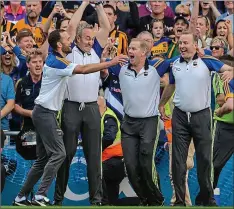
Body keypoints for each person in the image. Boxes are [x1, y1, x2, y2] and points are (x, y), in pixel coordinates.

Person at [12, 29, 126, 206]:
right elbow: (83, 69)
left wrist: (102, 60)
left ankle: (20, 196)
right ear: (59, 44)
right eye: (67, 39)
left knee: (42, 159)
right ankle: (40, 195)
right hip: (45, 113)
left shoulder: (58, 59)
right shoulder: (57, 61)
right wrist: (110, 63)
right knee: (59, 153)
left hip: (42, 112)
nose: (70, 41)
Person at [159, 31, 234, 206]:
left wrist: (232, 72)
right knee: (178, 161)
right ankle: (179, 200)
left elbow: (229, 68)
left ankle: (206, 199)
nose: (182, 46)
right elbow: (171, 84)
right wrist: (162, 103)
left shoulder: (207, 61)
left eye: (186, 43)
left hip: (202, 115)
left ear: (195, 45)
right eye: (180, 43)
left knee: (205, 159)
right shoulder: (174, 64)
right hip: (180, 116)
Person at [54, 1, 114, 206]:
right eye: (86, 38)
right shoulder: (69, 50)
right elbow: (71, 26)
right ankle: (58, 198)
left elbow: (106, 28)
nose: (90, 41)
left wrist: (98, 6)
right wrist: (85, 3)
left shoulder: (96, 48)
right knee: (66, 154)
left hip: (90, 108)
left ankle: (96, 199)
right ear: (77, 38)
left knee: (94, 155)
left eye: (91, 38)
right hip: (71, 106)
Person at [108, 38, 167, 206]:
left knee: (146, 163)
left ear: (144, 52)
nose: (129, 51)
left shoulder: (156, 66)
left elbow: (179, 66)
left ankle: (157, 200)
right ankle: (145, 200)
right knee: (131, 167)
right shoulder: (120, 66)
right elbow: (101, 65)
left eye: (133, 48)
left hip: (149, 122)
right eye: (129, 48)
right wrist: (107, 58)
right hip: (129, 123)